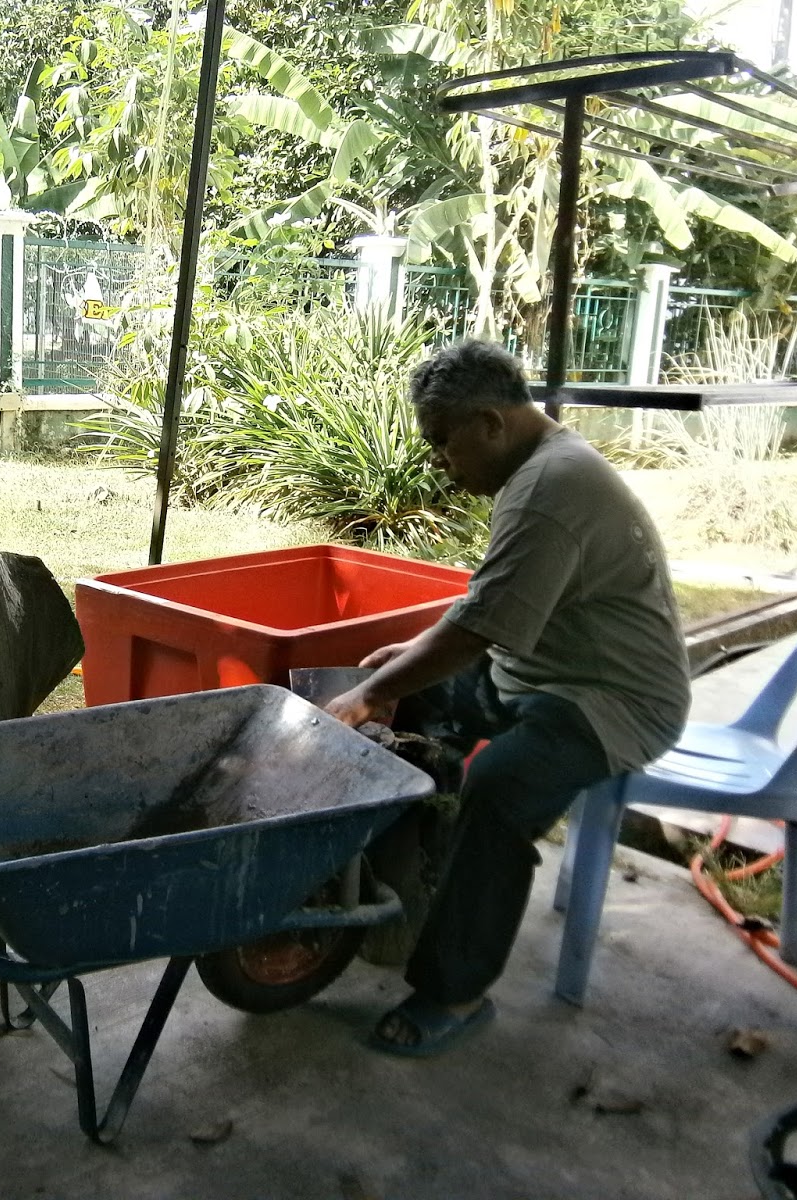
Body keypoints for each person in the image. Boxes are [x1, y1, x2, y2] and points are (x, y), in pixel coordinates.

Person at [325, 340, 690, 1057]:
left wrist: (370, 693)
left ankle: (453, 989)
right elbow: (490, 606)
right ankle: (412, 888)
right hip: (539, 673)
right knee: (411, 705)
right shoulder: (540, 469)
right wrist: (400, 672)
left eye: (442, 443)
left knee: (498, 788)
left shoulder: (553, 490)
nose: (439, 462)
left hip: (613, 699)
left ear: (489, 422)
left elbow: (478, 629)